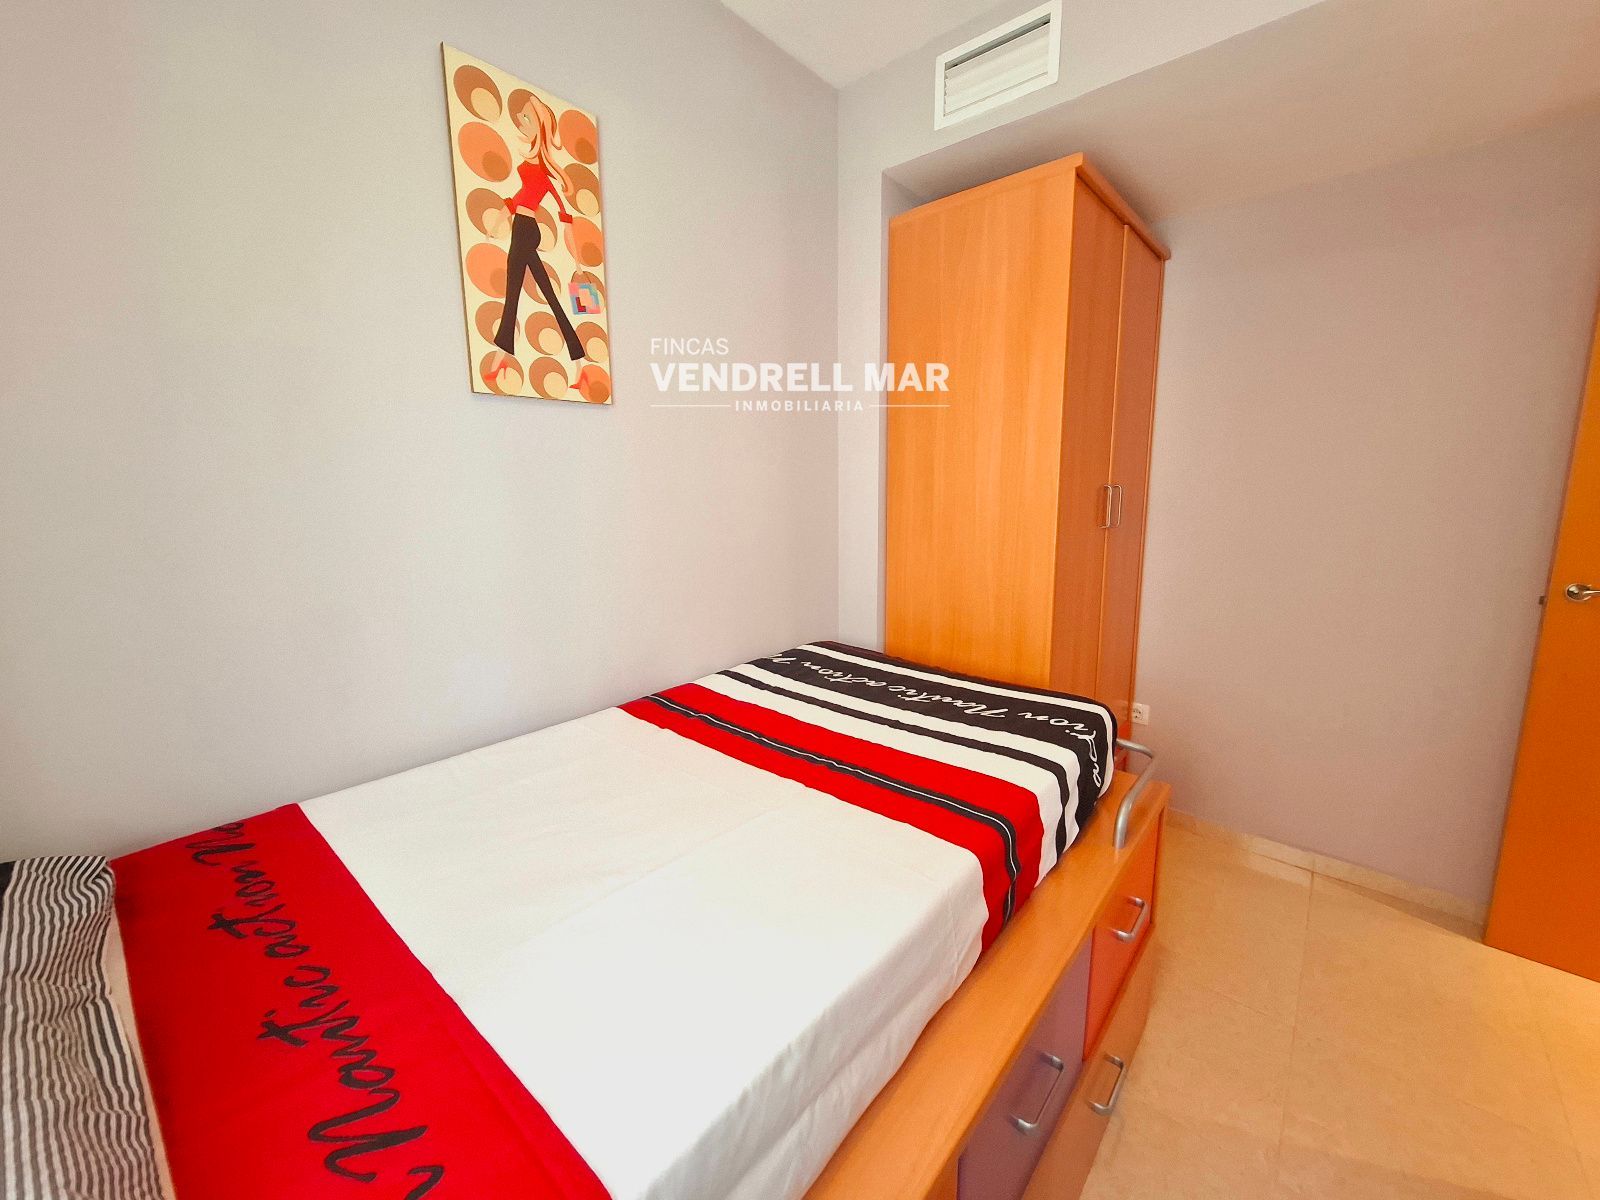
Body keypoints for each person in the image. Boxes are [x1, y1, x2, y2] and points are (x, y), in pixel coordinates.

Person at [494, 90, 585, 362]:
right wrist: (500, 218)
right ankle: (577, 352)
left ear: (539, 127)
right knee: (546, 290)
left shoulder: (545, 173)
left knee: (513, 288)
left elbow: (564, 215)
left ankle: (500, 354)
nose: (520, 120)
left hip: (525, 229)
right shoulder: (532, 166)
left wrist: (578, 264)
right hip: (522, 227)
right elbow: (520, 197)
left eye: (526, 118)